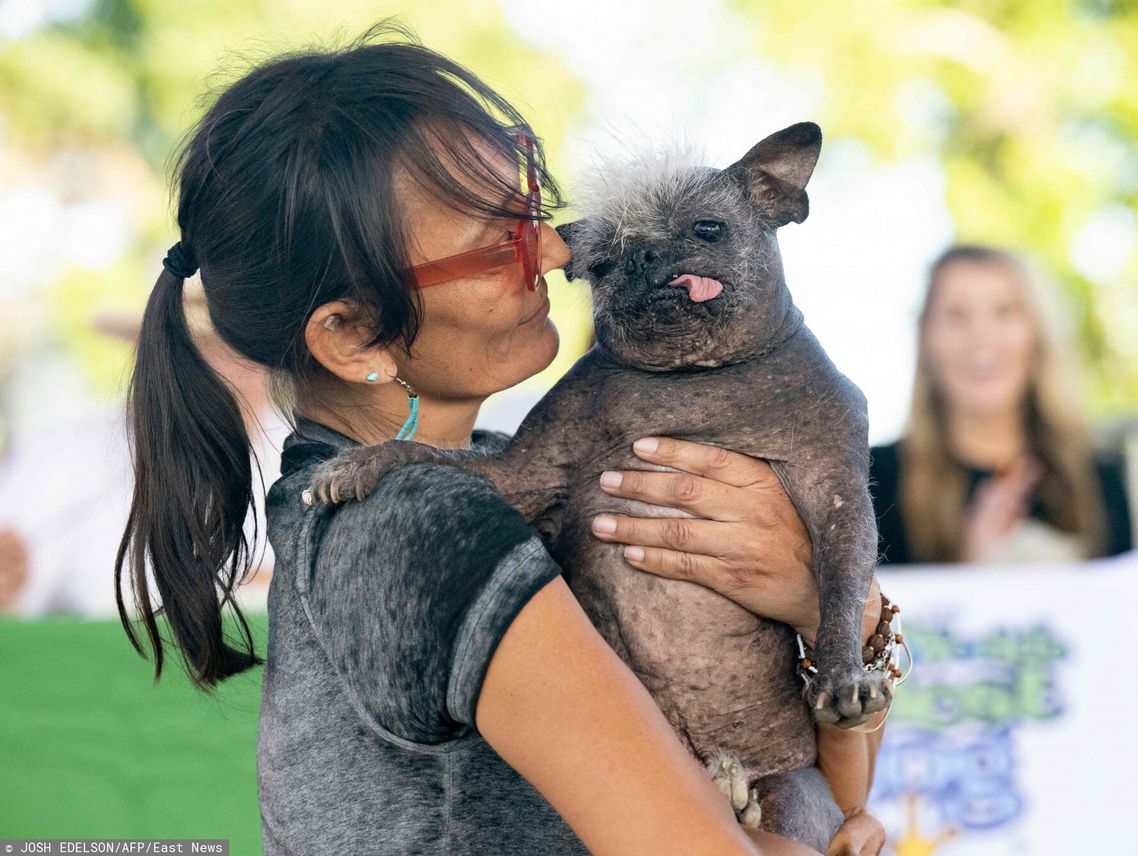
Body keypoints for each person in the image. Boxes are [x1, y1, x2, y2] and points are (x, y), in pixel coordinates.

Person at [115, 30, 886, 856]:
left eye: (530, 210)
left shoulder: (482, 474)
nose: (556, 251)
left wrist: (831, 608)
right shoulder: (415, 525)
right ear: (352, 337)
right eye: (496, 245)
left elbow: (835, 790)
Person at [0, 287, 282, 617]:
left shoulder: (303, 456)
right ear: (149, 362)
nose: (232, 375)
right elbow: (14, 598)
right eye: (199, 350)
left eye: (247, 354)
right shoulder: (62, 454)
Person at [871, 244, 1133, 565]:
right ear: (925, 339)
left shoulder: (1100, 475)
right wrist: (974, 577)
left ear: (1038, 336)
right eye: (956, 316)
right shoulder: (872, 484)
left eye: (1004, 312)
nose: (981, 337)